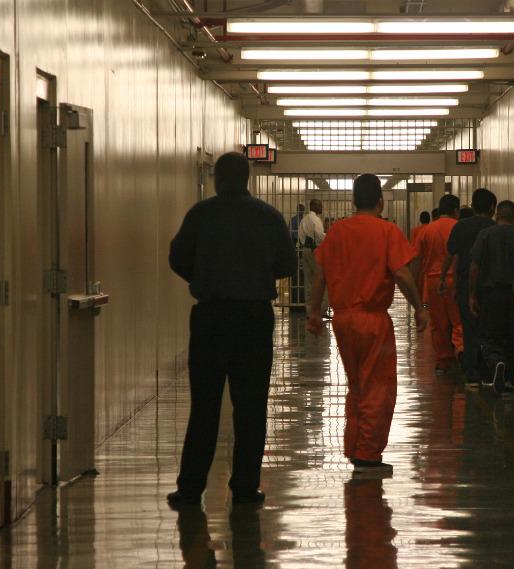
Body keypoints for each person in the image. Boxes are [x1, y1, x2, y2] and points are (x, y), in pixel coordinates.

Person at [166, 152, 297, 508]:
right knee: (251, 406)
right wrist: (256, 275)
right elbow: (288, 262)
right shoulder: (268, 217)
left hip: (211, 317)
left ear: (217, 179)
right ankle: (244, 489)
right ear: (248, 178)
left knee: (204, 406)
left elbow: (177, 257)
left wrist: (204, 277)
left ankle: (191, 489)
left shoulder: (201, 214)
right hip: (254, 318)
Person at [306, 174, 428, 475]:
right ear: (380, 201)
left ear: (352, 200)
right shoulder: (387, 231)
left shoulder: (336, 232)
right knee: (378, 387)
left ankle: (356, 447)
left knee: (357, 385)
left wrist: (312, 312)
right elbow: (401, 275)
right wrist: (419, 308)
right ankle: (368, 455)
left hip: (343, 320)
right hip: (373, 320)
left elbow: (320, 277)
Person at [440, 189, 497, 386]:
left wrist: (443, 279)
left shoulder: (460, 227)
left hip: (465, 283)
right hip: (491, 285)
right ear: (492, 208)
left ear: (472, 206)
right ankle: (489, 368)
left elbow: (450, 255)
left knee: (469, 327)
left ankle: (472, 372)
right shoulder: (495, 227)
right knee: (488, 326)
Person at [469, 200, 514, 395]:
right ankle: (509, 380)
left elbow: (474, 266)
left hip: (491, 293)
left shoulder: (486, 234)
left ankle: (497, 361)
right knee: (512, 337)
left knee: (489, 334)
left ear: (497, 215)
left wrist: (472, 295)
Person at [416, 194, 463, 373]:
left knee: (438, 322)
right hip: (455, 278)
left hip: (433, 281)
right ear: (456, 210)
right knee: (458, 319)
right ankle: (461, 350)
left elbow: (417, 260)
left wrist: (417, 285)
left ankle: (444, 360)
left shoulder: (426, 230)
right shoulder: (458, 227)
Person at [299, 198, 328, 318]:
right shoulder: (315, 219)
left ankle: (309, 311)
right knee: (322, 280)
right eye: (320, 205)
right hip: (315, 250)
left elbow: (301, 236)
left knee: (308, 281)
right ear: (314, 206)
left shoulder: (304, 219)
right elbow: (320, 237)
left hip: (305, 249)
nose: (321, 208)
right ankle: (321, 310)